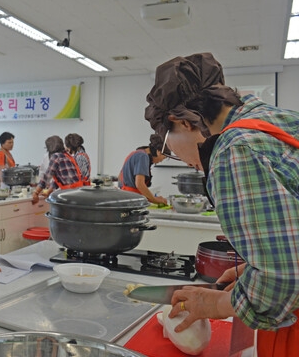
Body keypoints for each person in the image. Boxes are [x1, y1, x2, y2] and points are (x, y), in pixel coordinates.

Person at [144, 52, 299, 357]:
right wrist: (254, 269)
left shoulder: (234, 150)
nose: (185, 161)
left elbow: (285, 276)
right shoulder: (276, 121)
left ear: (181, 122)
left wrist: (216, 303)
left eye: (166, 143)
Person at [117, 134, 169, 205]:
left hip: (126, 197)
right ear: (159, 152)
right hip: (133, 200)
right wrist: (155, 200)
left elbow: (120, 177)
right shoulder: (143, 157)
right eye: (163, 158)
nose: (160, 161)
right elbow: (139, 184)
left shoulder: (136, 153)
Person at [31, 135, 84, 204]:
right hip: (78, 193)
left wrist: (36, 192)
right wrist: (49, 191)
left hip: (70, 194)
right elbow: (59, 179)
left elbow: (46, 177)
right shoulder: (67, 155)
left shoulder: (56, 156)